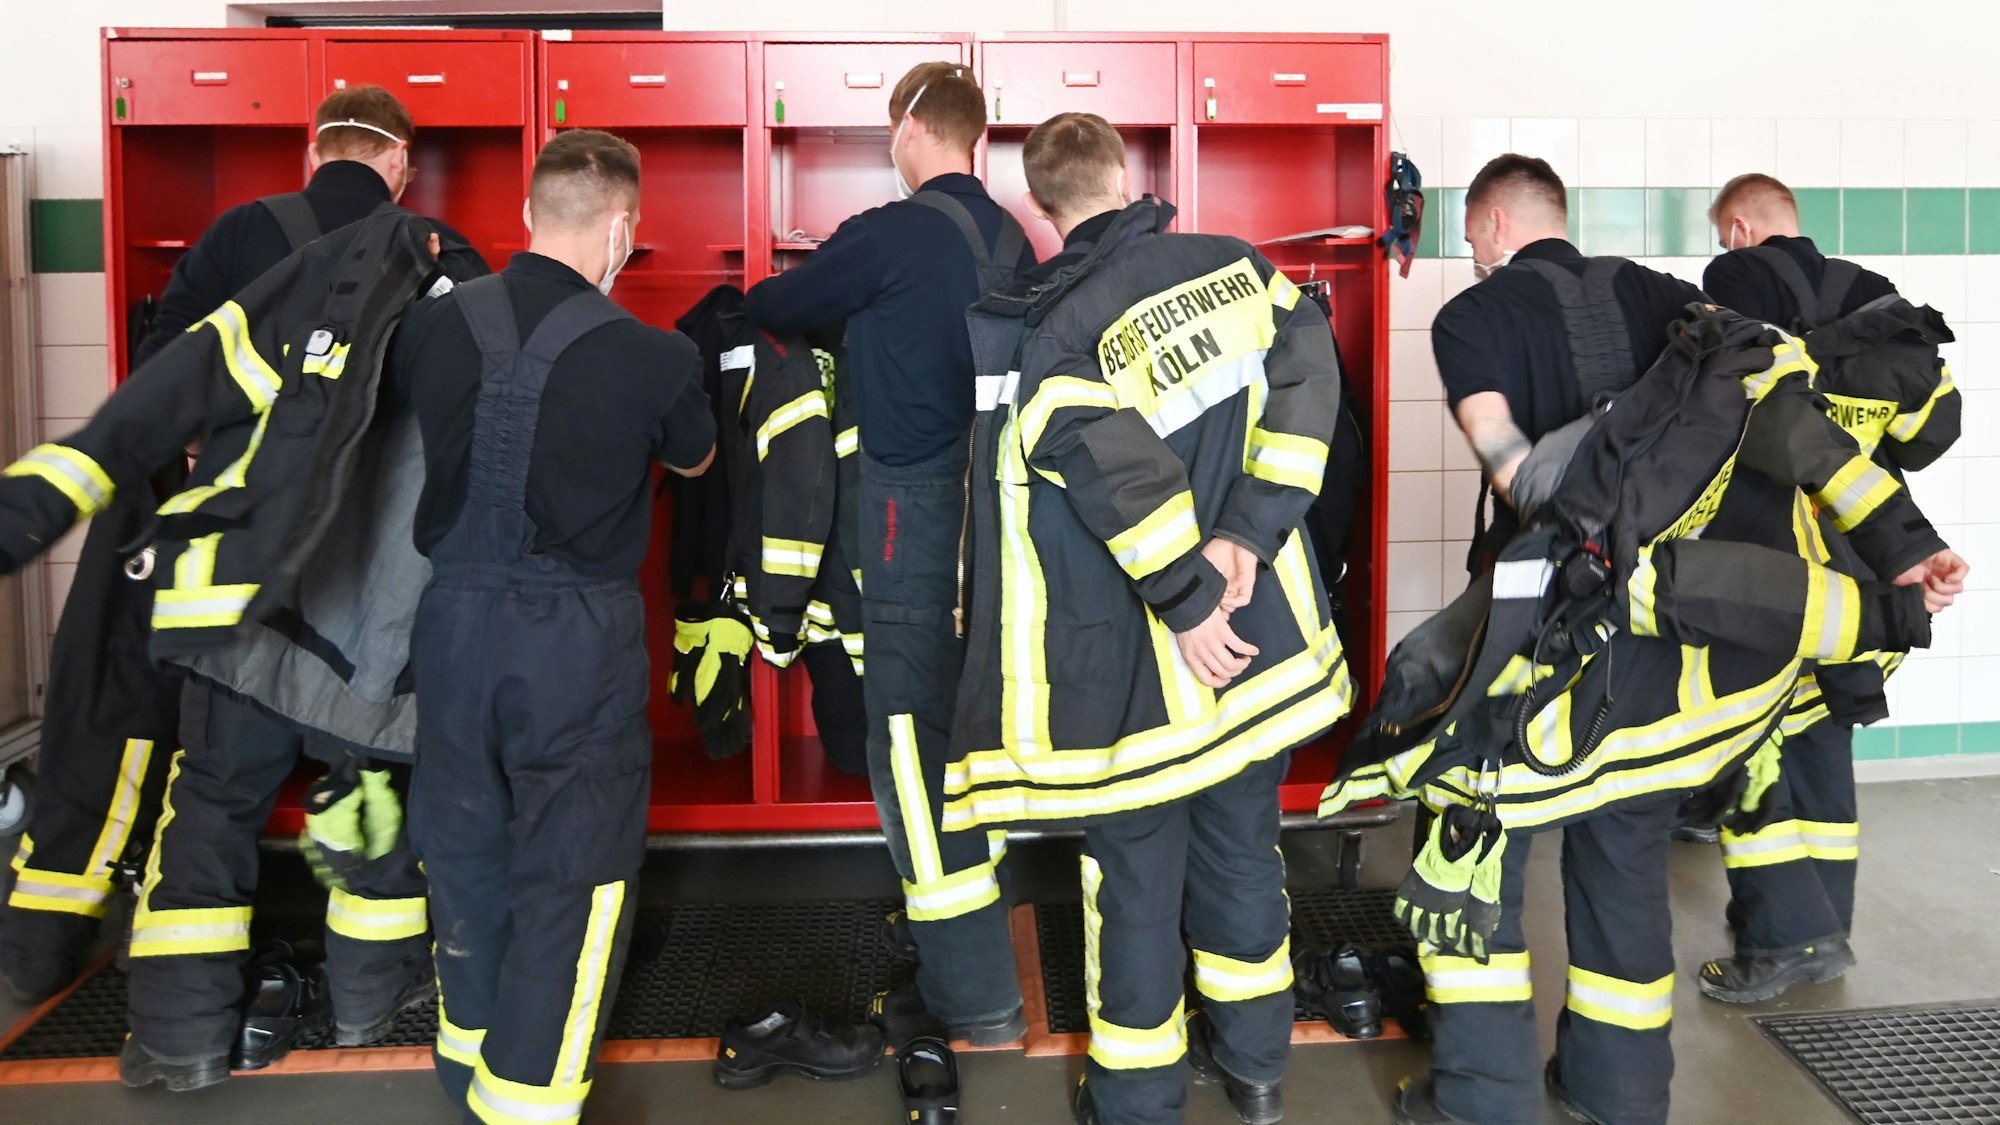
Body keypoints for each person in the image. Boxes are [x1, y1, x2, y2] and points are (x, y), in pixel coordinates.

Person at [1389, 154, 1958, 1125]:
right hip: (1657, 645)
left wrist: (1569, 516)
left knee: (1469, 843)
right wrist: (1903, 545)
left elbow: (1506, 463)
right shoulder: (1660, 294)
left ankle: (1479, 1098)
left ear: (1489, 223)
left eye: (1472, 231)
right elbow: (1780, 425)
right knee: (1620, 845)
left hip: (1543, 627)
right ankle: (1615, 1092)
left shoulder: (1469, 317)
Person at [947, 112, 1353, 1125]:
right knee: (1243, 854)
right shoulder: (1240, 268)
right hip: (1258, 642)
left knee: (1132, 881)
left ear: (1039, 208)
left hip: (1150, 671)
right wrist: (1248, 537)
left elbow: (1112, 478)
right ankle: (1257, 1070)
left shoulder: (1053, 333)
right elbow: (1311, 384)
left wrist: (1183, 597)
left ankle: (1135, 1097)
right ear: (1128, 176)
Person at [119, 84, 489, 1091]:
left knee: (210, 804)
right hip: (368, 601)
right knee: (362, 793)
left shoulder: (243, 234)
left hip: (240, 588)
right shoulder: (444, 255)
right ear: (402, 162)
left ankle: (180, 1037)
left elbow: (165, 385)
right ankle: (372, 1003)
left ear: (311, 150)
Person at [389, 128, 714, 1124]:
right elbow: (696, 465)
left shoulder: (427, 330)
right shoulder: (656, 357)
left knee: (464, 854)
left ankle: (466, 1076)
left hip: (446, 630)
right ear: (621, 228)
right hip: (573, 645)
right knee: (571, 878)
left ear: (528, 214)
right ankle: (525, 1106)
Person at [745, 61, 1036, 1048]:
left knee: (909, 748)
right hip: (996, 519)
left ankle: (975, 999)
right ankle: (964, 952)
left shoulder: (888, 233)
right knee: (964, 732)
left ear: (910, 128)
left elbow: (769, 307)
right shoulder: (1011, 239)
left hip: (909, 517)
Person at [1696, 172, 1967, 1002]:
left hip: (1776, 557)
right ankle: (1823, 927)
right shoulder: (1881, 299)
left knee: (1750, 735)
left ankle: (1782, 938)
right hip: (1867, 554)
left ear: (1738, 229)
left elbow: (1724, 413)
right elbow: (1934, 433)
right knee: (1822, 735)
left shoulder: (1733, 284)